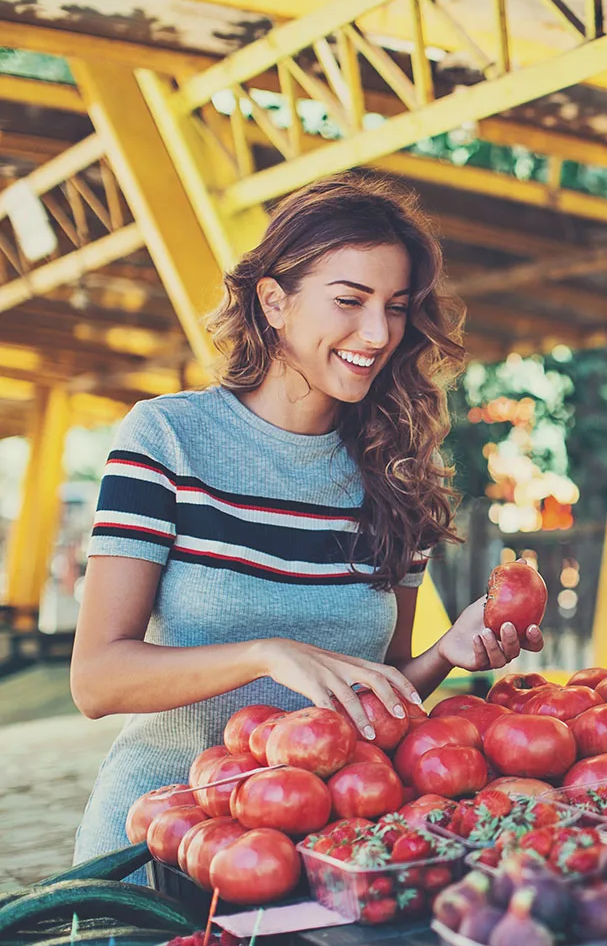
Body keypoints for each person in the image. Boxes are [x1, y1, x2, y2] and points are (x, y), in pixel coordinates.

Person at [70, 172, 541, 873]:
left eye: (397, 308)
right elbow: (98, 680)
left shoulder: (397, 473)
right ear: (274, 302)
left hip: (325, 858)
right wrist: (267, 653)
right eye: (349, 301)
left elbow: (375, 693)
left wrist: (448, 651)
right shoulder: (168, 438)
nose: (378, 333)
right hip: (160, 848)